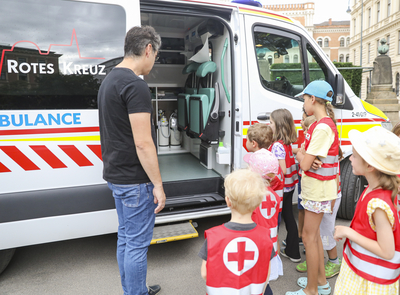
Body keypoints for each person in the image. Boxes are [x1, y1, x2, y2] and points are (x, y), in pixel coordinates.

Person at [98, 26, 165, 295]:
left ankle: (132, 289)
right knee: (136, 244)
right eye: (156, 55)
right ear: (148, 49)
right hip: (135, 182)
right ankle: (135, 292)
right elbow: (143, 142)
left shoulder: (109, 80)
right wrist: (158, 185)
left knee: (126, 238)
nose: (154, 61)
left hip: (116, 176)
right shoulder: (135, 85)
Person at [334, 126, 400, 294]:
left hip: (371, 280)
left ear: (370, 166)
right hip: (362, 272)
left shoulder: (378, 204)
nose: (350, 160)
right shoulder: (372, 189)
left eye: (354, 156)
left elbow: (386, 251)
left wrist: (349, 232)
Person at [287, 81, 339, 295]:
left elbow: (305, 162)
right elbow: (301, 153)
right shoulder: (319, 124)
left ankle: (312, 290)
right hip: (315, 190)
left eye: (304, 99)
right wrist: (303, 155)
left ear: (313, 99)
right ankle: (320, 284)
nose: (303, 103)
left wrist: (302, 156)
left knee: (309, 237)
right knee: (313, 236)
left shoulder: (323, 126)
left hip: (318, 191)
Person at [198, 169, 274, 295]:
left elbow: (205, 273)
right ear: (258, 204)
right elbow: (267, 272)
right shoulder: (265, 236)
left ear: (228, 201)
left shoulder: (214, 237)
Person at [245, 149, 284, 294]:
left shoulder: (252, 197)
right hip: (271, 244)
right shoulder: (274, 195)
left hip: (257, 245)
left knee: (254, 283)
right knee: (264, 282)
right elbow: (274, 222)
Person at [269, 109, 300, 263]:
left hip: (282, 188)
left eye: (271, 123)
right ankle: (292, 249)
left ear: (279, 126)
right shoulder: (286, 142)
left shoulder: (276, 146)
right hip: (290, 185)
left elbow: (282, 169)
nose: (269, 125)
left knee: (283, 218)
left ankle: (291, 251)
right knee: (289, 217)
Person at [292, 113, 316, 248]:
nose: (301, 123)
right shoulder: (307, 140)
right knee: (302, 208)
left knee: (305, 209)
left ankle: (303, 237)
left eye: (304, 121)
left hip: (308, 181)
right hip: (304, 178)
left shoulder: (312, 143)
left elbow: (304, 163)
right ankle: (301, 236)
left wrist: (300, 155)